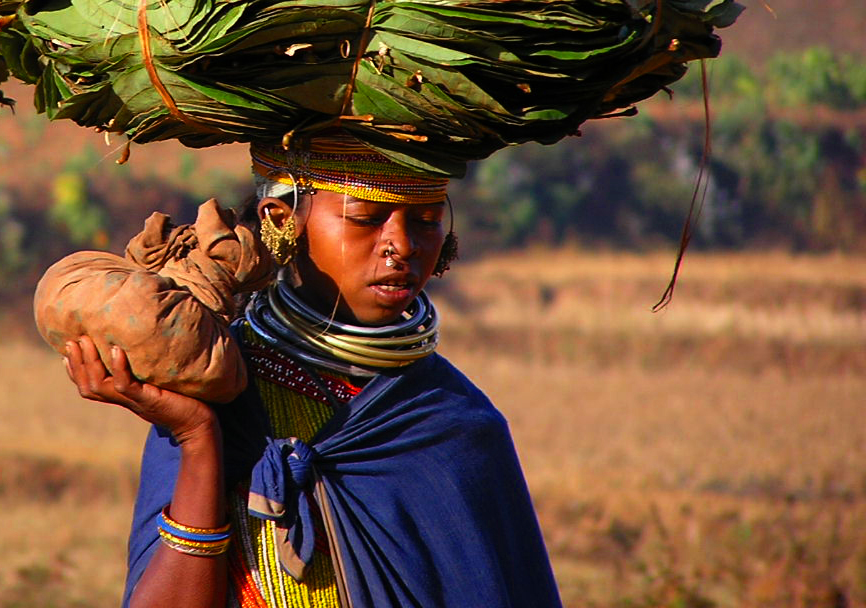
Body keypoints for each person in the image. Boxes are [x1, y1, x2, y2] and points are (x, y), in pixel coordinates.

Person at [58, 135, 562, 608]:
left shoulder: (456, 424)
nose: (402, 246)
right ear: (281, 220)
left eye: (426, 221)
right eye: (365, 218)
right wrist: (196, 437)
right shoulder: (219, 389)